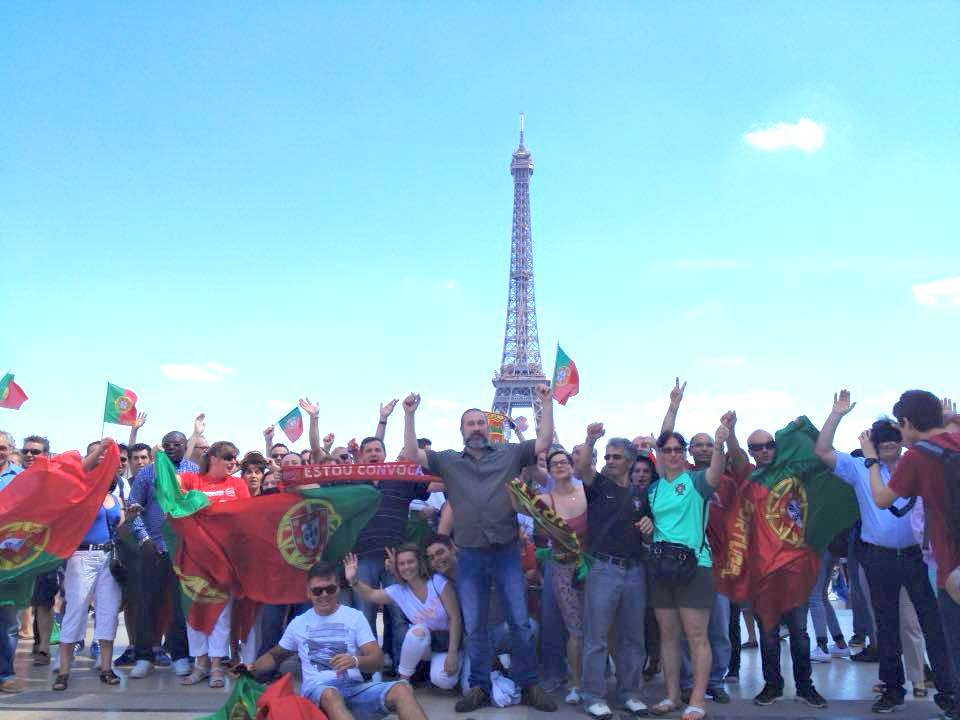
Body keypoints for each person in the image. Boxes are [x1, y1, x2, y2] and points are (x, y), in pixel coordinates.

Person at [402, 388, 557, 713]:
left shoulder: (509, 453)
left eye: (480, 423)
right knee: (475, 625)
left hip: (506, 551)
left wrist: (546, 403)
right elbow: (412, 453)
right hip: (469, 554)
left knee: (519, 621)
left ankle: (529, 683)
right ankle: (480, 686)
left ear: (488, 427)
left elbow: (543, 442)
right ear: (461, 430)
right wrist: (410, 414)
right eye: (470, 424)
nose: (475, 428)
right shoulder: (448, 460)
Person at [816, 389, 955, 713]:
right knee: (886, 626)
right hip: (878, 557)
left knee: (933, 625)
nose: (890, 443)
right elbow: (822, 451)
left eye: (895, 436)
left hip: (918, 556)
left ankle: (949, 691)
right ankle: (893, 689)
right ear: (874, 443)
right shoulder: (859, 467)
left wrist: (944, 423)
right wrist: (836, 415)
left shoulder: (918, 461)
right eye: (883, 439)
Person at [868, 389, 960, 719]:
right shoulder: (956, 439)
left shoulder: (917, 457)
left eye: (900, 425)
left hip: (951, 565)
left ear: (907, 422)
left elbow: (882, 499)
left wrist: (871, 461)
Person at [246, 561, 429, 720]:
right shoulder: (299, 623)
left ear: (338, 589)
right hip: (318, 694)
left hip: (354, 690)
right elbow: (274, 656)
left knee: (401, 689)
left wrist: (355, 661)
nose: (324, 595)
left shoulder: (354, 617)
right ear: (308, 593)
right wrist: (250, 668)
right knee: (330, 694)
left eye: (330, 589)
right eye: (317, 591)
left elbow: (377, 659)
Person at [735, 428, 827, 710]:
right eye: (757, 447)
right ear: (751, 451)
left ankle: (805, 687)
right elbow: (735, 458)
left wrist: (825, 420)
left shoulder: (794, 472)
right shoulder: (749, 479)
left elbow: (822, 454)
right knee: (768, 632)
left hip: (795, 567)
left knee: (799, 631)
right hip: (763, 571)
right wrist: (730, 433)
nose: (764, 450)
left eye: (769, 445)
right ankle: (772, 685)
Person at [638, 427, 723, 720]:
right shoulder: (653, 490)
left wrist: (720, 444)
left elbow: (716, 471)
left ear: (684, 453)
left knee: (697, 636)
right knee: (668, 636)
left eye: (678, 449)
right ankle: (672, 696)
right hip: (662, 566)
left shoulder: (697, 481)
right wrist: (647, 529)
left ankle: (697, 700)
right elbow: (650, 529)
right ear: (660, 454)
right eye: (667, 450)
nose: (673, 455)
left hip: (694, 565)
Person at [574, 426, 649, 719]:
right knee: (597, 637)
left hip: (634, 570)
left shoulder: (640, 495)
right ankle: (593, 695)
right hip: (604, 568)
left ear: (630, 461)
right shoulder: (598, 486)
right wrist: (590, 440)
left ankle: (629, 693)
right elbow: (582, 467)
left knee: (633, 637)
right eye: (607, 456)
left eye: (616, 456)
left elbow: (648, 534)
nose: (610, 461)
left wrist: (649, 529)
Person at [53, 441, 124, 691]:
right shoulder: (79, 492)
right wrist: (100, 450)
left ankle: (106, 667)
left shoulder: (114, 498)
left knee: (108, 612)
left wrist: (131, 516)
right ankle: (64, 670)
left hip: (109, 558)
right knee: (76, 609)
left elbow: (118, 527)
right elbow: (77, 473)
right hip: (82, 556)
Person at [178, 441, 250, 688]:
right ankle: (200, 665)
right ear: (213, 458)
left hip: (224, 560)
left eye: (235, 458)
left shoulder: (237, 485)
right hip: (194, 560)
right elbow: (169, 484)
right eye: (228, 457)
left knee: (221, 613)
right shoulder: (193, 480)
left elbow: (246, 517)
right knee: (194, 611)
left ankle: (217, 665)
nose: (233, 462)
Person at [127, 431, 197, 679]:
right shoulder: (148, 472)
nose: (170, 448)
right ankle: (143, 657)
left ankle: (180, 656)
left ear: (185, 446)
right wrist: (144, 539)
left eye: (176, 444)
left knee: (180, 606)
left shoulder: (194, 472)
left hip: (184, 550)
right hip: (154, 549)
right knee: (147, 604)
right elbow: (133, 507)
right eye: (166, 444)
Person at [345, 545, 462, 690]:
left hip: (448, 644)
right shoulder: (398, 591)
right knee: (417, 632)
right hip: (426, 644)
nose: (406, 567)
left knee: (444, 681)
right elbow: (370, 594)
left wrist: (452, 653)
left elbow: (455, 618)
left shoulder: (437, 582)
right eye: (402, 563)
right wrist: (354, 580)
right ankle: (403, 681)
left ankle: (457, 664)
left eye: (410, 562)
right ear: (397, 568)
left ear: (419, 562)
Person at [537, 448, 588, 705]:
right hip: (563, 569)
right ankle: (576, 684)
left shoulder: (587, 491)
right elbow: (518, 506)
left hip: (593, 566)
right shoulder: (544, 500)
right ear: (548, 470)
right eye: (553, 463)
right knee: (575, 629)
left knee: (600, 626)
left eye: (563, 461)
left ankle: (596, 679)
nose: (559, 466)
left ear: (572, 465)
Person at [0, 430, 25, 694]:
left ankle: (5, 674)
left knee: (8, 622)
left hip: (11, 561)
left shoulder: (22, 478)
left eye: (2, 447)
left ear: (10, 449)